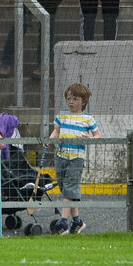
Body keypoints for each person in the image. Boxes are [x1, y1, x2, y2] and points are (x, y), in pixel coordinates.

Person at [49, 83, 101, 235]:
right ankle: (77, 221)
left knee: (70, 189)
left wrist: (89, 137)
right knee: (65, 189)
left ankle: (63, 223)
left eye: (75, 99)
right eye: (69, 98)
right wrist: (50, 140)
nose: (71, 101)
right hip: (61, 156)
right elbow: (56, 132)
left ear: (83, 101)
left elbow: (97, 136)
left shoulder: (88, 119)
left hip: (76, 158)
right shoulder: (62, 115)